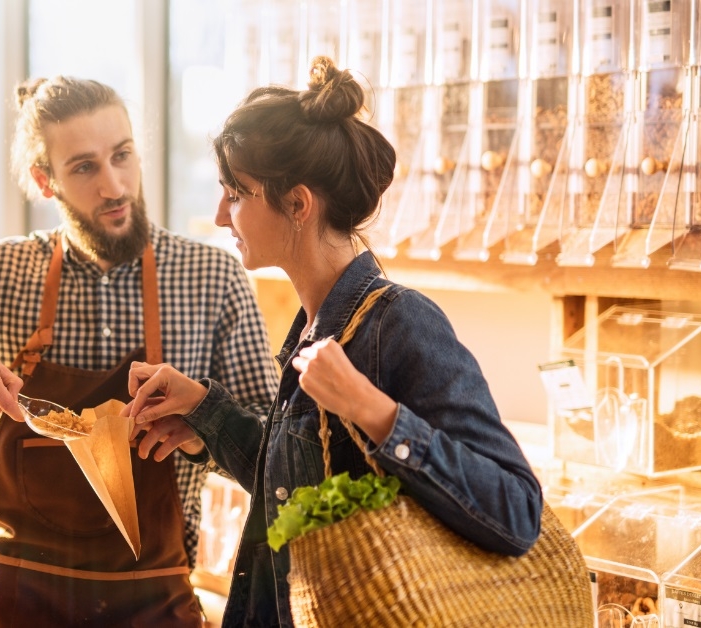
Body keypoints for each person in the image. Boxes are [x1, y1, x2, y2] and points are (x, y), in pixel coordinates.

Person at [0, 75, 277, 626]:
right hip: (17, 599)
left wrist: (206, 426)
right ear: (44, 181)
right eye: (84, 167)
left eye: (122, 156)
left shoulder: (212, 278)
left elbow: (272, 451)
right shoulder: (1, 272)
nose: (114, 186)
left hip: (156, 601)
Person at [125, 56, 543, 627]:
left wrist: (373, 411)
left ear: (297, 204)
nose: (221, 215)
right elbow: (304, 495)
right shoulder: (316, 323)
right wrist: (205, 413)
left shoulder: (402, 324)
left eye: (237, 194)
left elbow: (516, 513)